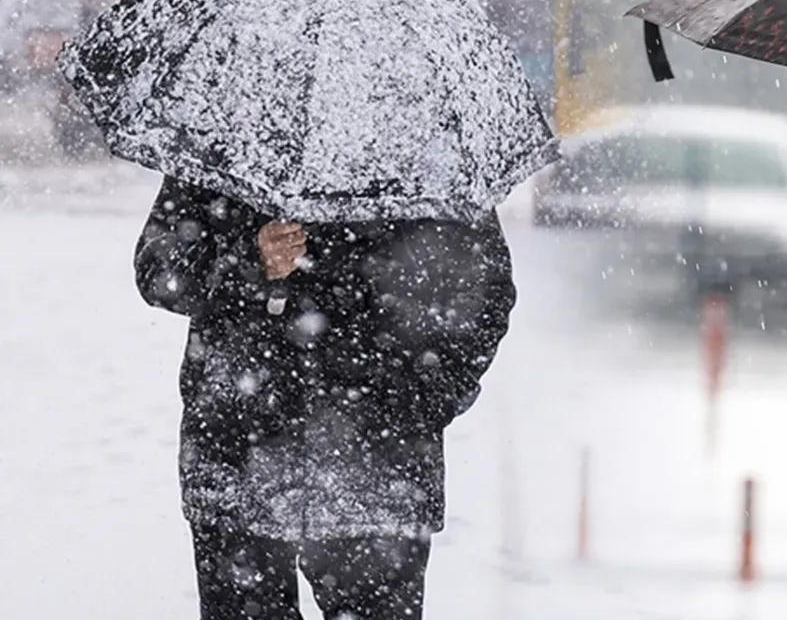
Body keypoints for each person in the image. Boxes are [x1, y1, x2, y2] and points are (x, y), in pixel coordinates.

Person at [134, 176, 517, 619]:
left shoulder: (425, 148)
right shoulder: (226, 133)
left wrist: (421, 401)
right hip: (238, 458)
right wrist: (248, 258)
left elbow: (484, 292)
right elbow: (159, 270)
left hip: (376, 472)